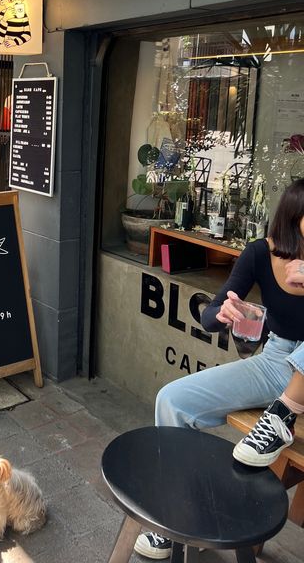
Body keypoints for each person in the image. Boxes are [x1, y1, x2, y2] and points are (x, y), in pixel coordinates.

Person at [135, 178, 304, 560]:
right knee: (172, 400)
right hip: (278, 359)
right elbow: (210, 315)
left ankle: (282, 418)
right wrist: (224, 312)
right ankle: (171, 516)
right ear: (295, 216)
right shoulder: (261, 254)